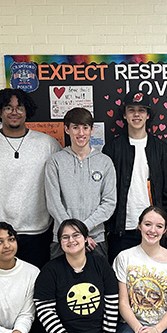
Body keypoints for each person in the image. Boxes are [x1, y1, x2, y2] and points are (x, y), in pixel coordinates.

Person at [0, 87, 62, 269]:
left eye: (20, 107)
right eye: (8, 108)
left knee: (35, 285)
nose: (14, 112)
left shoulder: (48, 144)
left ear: (27, 112)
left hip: (38, 231)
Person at [34, 219, 119, 333]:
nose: (71, 240)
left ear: (86, 239)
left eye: (76, 235)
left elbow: (113, 303)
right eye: (65, 237)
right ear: (60, 242)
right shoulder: (50, 270)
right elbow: (44, 309)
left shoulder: (101, 265)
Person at [103, 92, 167, 263]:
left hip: (153, 229)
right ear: (124, 114)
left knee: (154, 279)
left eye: (141, 110)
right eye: (131, 110)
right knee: (121, 280)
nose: (136, 114)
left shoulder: (161, 149)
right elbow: (104, 191)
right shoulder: (112, 149)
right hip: (121, 229)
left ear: (148, 115)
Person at [45, 108, 116, 261]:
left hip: (95, 239)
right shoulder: (55, 161)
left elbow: (109, 203)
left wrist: (83, 231)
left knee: (97, 284)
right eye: (75, 127)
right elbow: (53, 203)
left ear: (92, 130)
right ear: (67, 129)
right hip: (63, 240)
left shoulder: (105, 162)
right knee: (63, 284)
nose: (81, 133)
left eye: (85, 127)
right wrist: (75, 235)